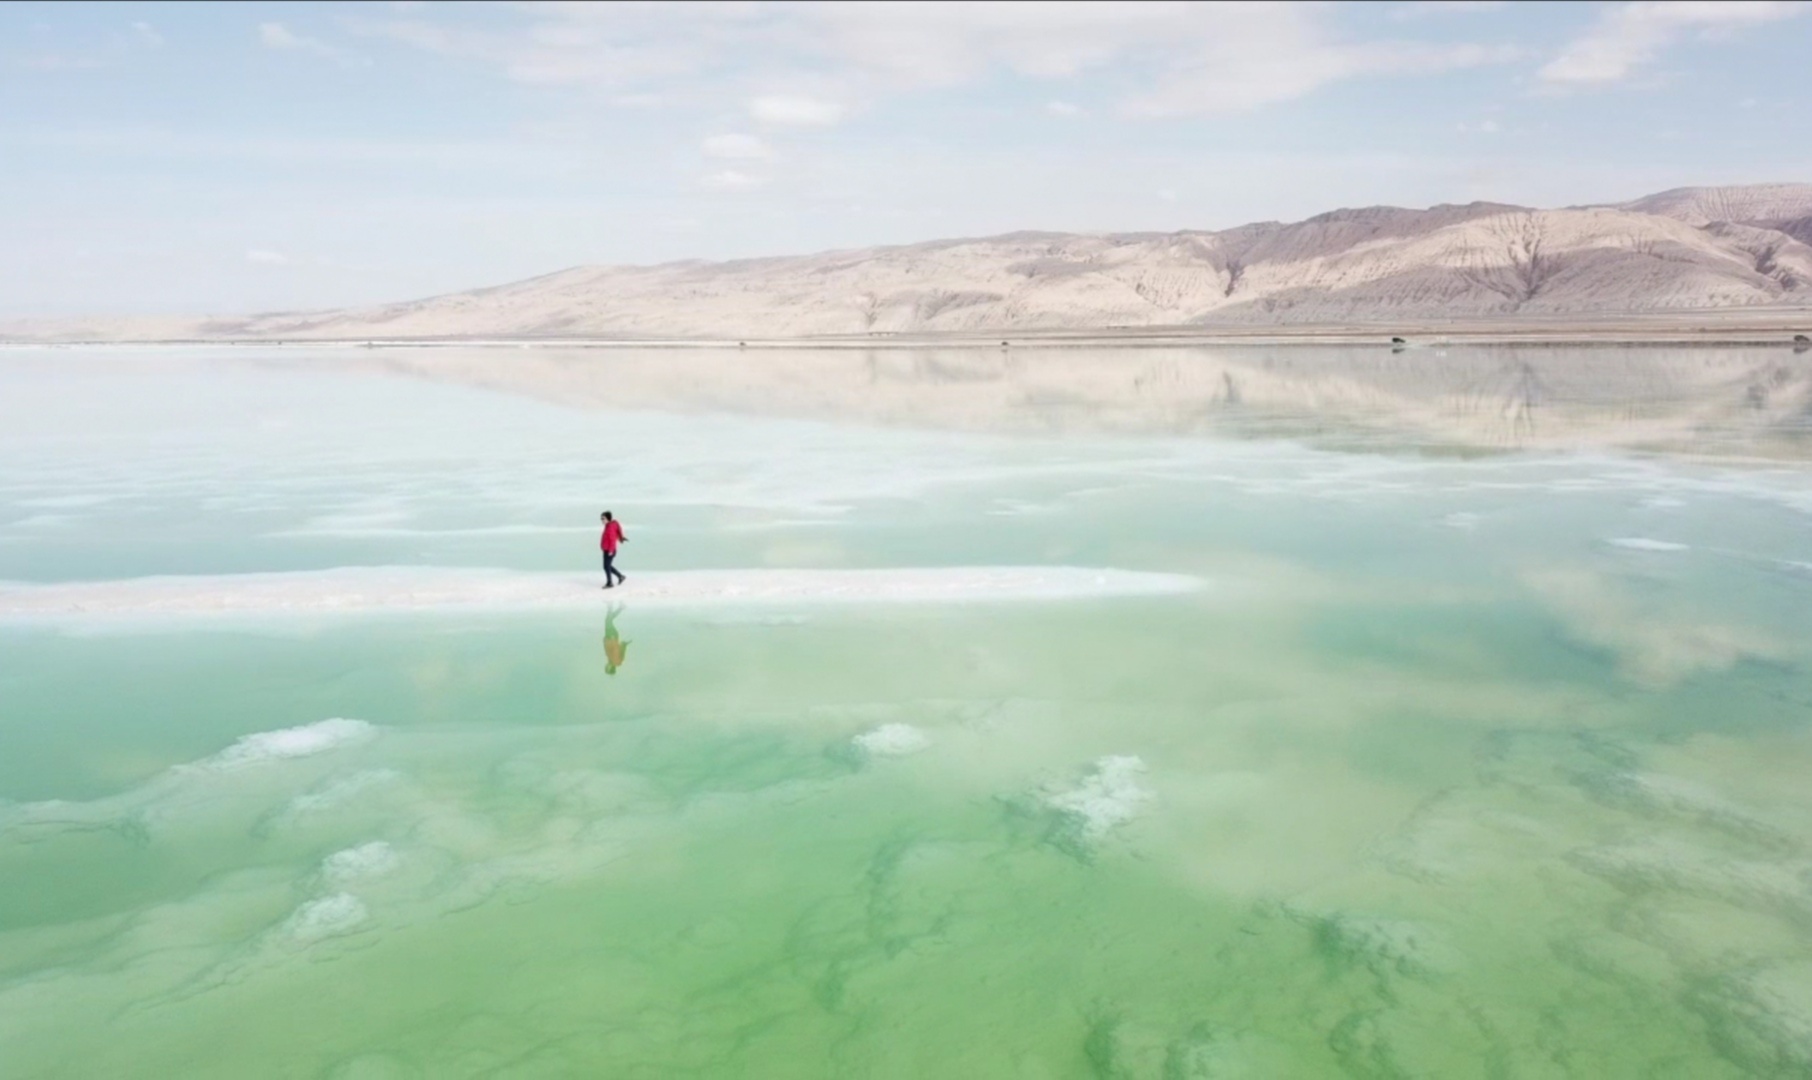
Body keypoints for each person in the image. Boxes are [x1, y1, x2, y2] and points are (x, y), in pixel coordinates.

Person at [600, 510, 627, 589]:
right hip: (607, 549)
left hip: (609, 550)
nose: (602, 520)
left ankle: (610, 583)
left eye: (603, 518)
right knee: (607, 566)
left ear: (608, 518)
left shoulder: (610, 527)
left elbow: (612, 540)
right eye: (601, 518)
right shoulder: (609, 525)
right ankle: (620, 576)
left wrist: (611, 551)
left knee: (606, 566)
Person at [602, 604, 630, 675]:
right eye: (607, 668)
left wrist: (605, 641)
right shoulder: (616, 661)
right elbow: (618, 650)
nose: (605, 666)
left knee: (608, 620)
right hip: (612, 638)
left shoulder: (611, 660)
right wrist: (624, 644)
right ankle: (611, 606)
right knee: (608, 621)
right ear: (610, 668)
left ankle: (618, 607)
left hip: (609, 638)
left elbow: (610, 650)